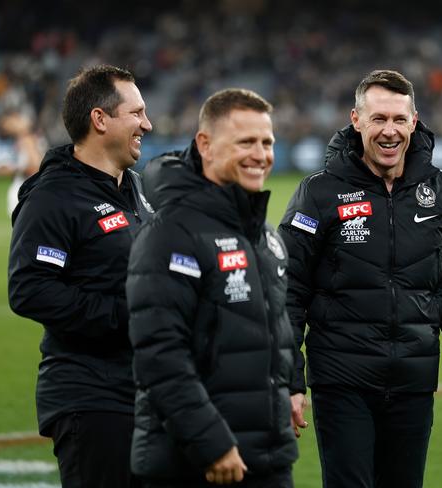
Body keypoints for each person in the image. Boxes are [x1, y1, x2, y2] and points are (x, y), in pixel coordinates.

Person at [278, 69, 442, 488]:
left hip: (412, 384)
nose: (389, 131)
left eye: (398, 119)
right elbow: (287, 293)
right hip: (342, 382)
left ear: (414, 121)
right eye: (378, 119)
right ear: (356, 120)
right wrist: (289, 380)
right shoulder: (318, 193)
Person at [126, 88, 298, 487]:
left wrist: (287, 390)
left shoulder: (264, 236)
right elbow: (160, 354)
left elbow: (272, 333)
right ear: (205, 144)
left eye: (267, 142)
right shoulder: (171, 233)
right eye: (246, 142)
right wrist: (212, 443)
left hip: (266, 458)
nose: (261, 154)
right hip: (196, 462)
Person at [8, 64, 153, 488]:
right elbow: (31, 289)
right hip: (91, 397)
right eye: (137, 113)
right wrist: (128, 315)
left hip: (145, 390)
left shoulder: (137, 188)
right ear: (100, 119)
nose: (148, 123)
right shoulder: (53, 197)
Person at [0, 110, 46, 216]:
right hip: (28, 188)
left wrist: (12, 169)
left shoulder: (27, 139)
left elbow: (35, 167)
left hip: (26, 190)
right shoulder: (26, 139)